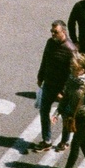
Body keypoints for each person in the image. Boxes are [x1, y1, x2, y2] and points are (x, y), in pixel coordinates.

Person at [55, 53, 85, 168]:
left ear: (83, 70)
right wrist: (57, 113)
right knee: (83, 141)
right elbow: (65, 98)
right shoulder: (70, 82)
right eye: (72, 68)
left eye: (76, 69)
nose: (73, 71)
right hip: (74, 118)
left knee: (75, 143)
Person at [32, 21, 74, 151]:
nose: (53, 34)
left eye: (56, 32)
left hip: (62, 89)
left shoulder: (71, 49)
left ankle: (65, 141)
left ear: (64, 32)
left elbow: (72, 74)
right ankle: (47, 140)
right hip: (49, 84)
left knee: (66, 115)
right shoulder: (50, 43)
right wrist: (40, 76)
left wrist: (63, 91)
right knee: (44, 111)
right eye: (52, 31)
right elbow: (45, 60)